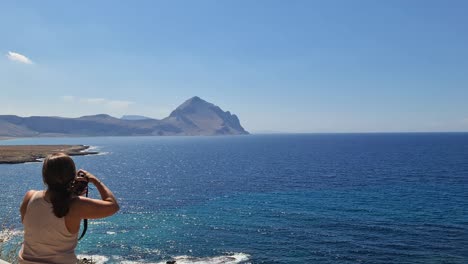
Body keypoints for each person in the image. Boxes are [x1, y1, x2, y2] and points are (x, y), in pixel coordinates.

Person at [18, 153, 119, 264]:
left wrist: (71, 197)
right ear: (72, 176)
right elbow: (113, 206)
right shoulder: (76, 205)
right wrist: (95, 181)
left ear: (45, 176)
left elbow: (39, 225)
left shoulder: (30, 196)